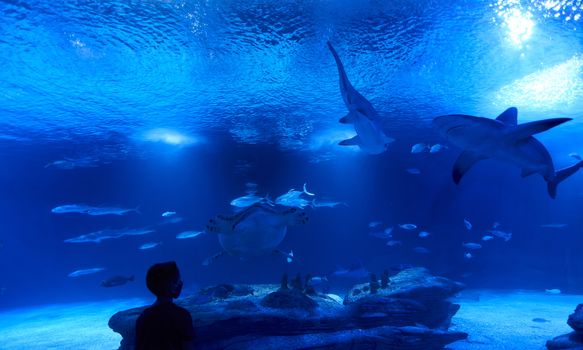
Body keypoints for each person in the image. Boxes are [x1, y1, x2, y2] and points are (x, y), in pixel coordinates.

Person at [135, 261, 196, 350]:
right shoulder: (182, 315)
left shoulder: (143, 316)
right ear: (174, 286)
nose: (181, 283)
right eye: (178, 280)